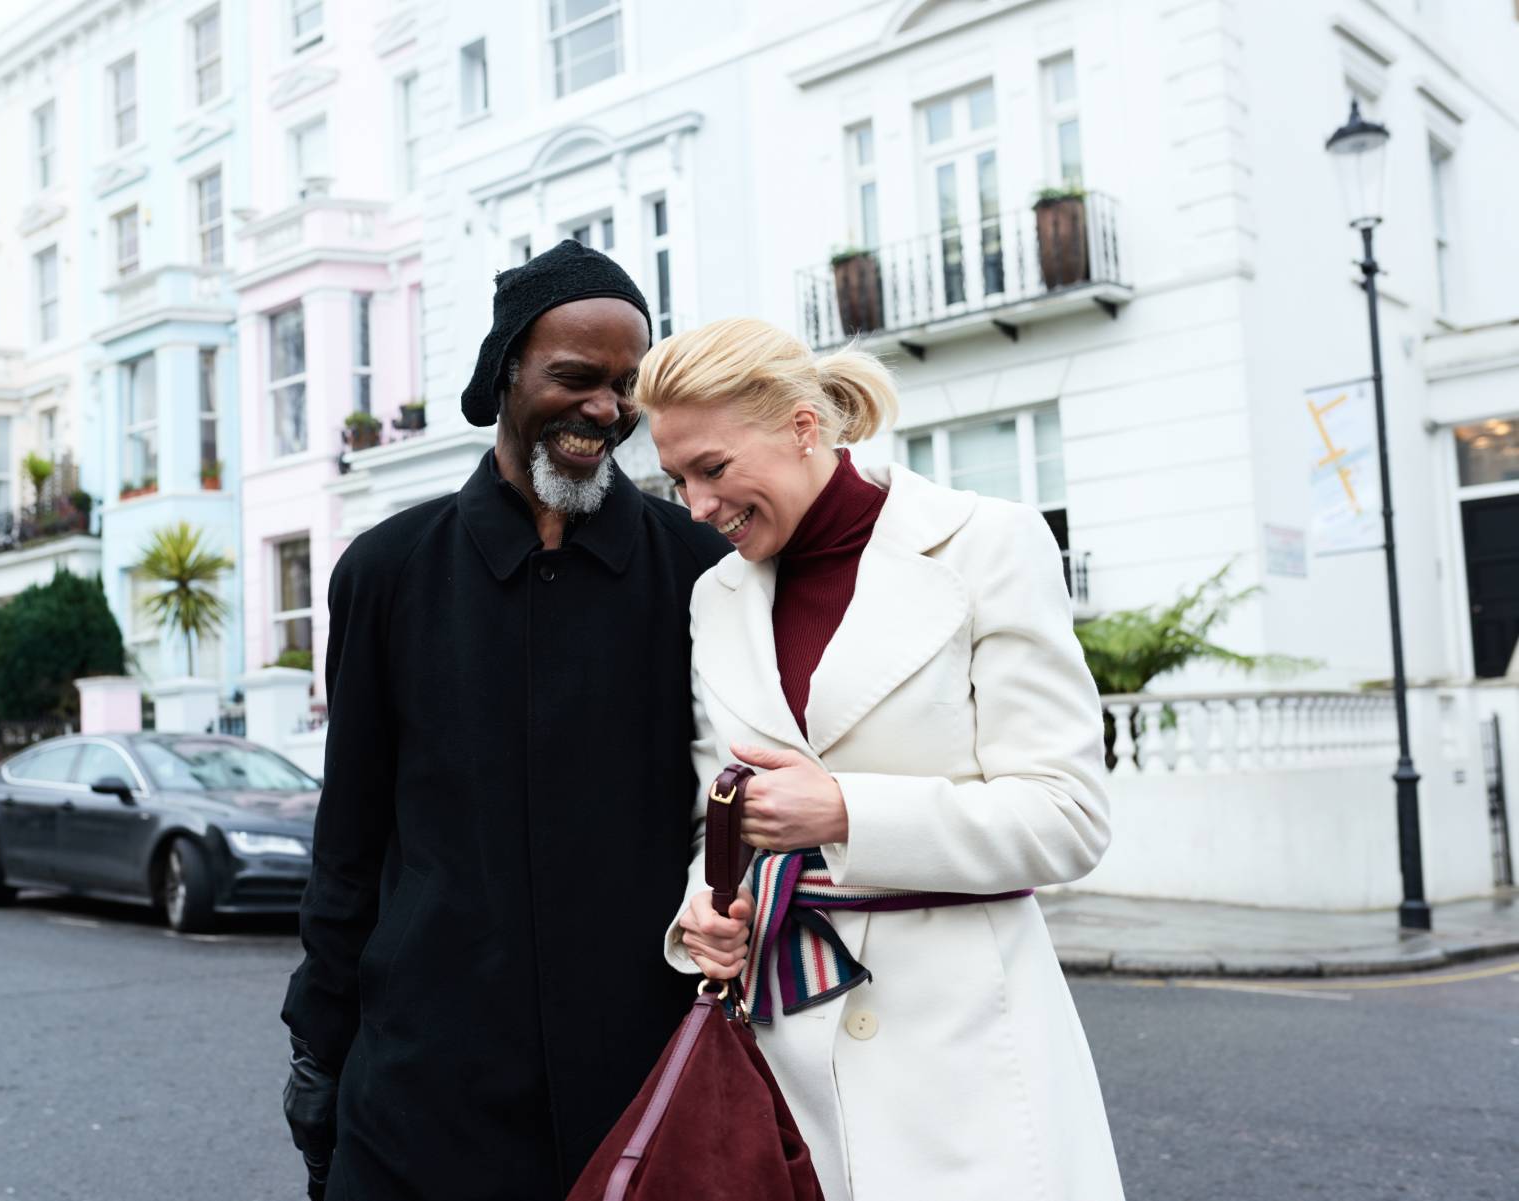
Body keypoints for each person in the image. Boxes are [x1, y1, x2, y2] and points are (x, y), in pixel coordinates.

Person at [635, 317, 1126, 1200]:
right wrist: (707, 910)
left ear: (800, 424)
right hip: (786, 1052)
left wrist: (846, 813)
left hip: (967, 1051)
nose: (697, 506)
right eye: (677, 481)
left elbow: (1070, 815)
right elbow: (725, 807)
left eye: (712, 468)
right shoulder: (717, 596)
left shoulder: (989, 544)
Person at [279, 240, 730, 1201]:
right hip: (425, 1091)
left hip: (642, 1079)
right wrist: (319, 1046)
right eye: (575, 378)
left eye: (624, 386)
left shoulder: (697, 570)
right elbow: (350, 838)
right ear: (504, 374)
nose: (605, 410)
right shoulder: (388, 571)